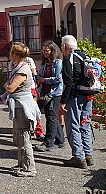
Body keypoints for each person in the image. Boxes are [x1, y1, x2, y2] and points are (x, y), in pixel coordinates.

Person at [3, 42, 39, 177]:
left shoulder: (23, 69)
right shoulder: (18, 67)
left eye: (11, 52)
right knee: (19, 136)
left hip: (23, 106)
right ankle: (21, 164)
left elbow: (10, 87)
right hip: (19, 105)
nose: (9, 54)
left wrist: (7, 85)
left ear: (15, 54)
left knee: (24, 137)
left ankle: (30, 168)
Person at [60, 35, 94, 169]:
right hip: (88, 95)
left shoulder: (68, 58)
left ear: (64, 46)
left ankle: (78, 157)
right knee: (85, 124)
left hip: (75, 96)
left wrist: (63, 101)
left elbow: (68, 82)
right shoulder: (85, 56)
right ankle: (88, 155)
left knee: (73, 125)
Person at [34, 41, 65, 152]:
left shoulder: (58, 63)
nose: (45, 53)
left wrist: (44, 80)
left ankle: (48, 143)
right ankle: (60, 140)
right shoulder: (45, 63)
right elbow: (40, 76)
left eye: (47, 51)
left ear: (53, 51)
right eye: (43, 51)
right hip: (45, 92)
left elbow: (59, 78)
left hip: (55, 93)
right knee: (51, 116)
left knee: (51, 117)